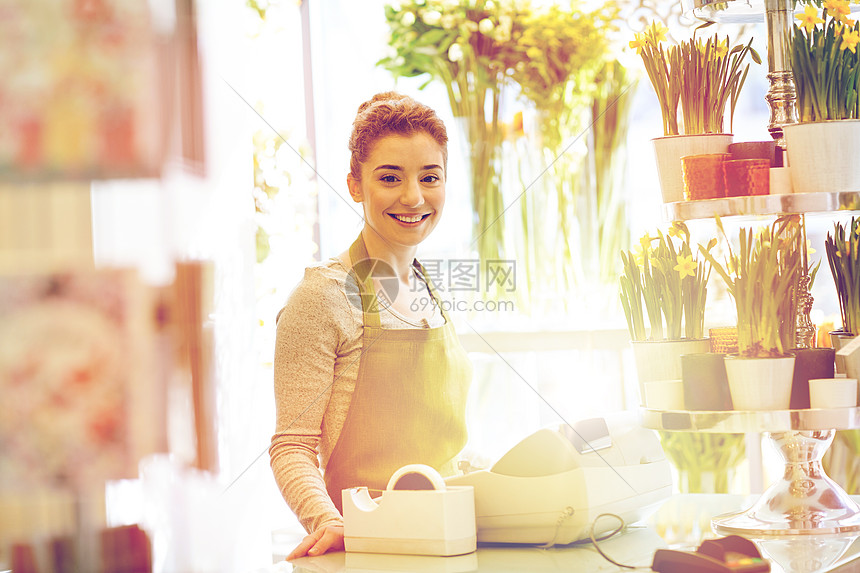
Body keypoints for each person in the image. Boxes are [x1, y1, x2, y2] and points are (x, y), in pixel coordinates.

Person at [269, 92, 472, 559]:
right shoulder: (320, 298)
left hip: (452, 544)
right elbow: (292, 446)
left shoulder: (433, 290)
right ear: (355, 185)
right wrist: (329, 522)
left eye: (430, 177)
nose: (414, 197)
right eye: (389, 178)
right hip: (370, 553)